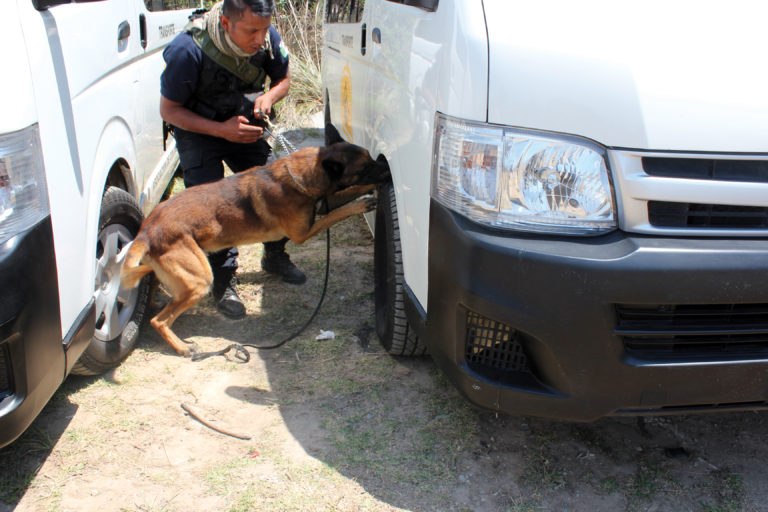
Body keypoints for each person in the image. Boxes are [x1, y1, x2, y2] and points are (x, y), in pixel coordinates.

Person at [160, 0, 306, 320]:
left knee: (280, 191)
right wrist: (220, 130)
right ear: (226, 23)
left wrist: (268, 97)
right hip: (199, 130)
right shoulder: (187, 50)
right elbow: (169, 111)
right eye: (251, 30)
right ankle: (224, 282)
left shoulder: (269, 39)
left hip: (245, 127)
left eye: (264, 29)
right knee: (215, 210)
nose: (260, 38)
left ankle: (275, 255)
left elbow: (283, 81)